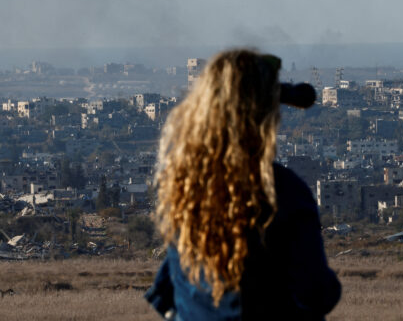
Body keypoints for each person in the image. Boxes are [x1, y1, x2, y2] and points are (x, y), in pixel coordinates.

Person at [145, 49, 341, 320]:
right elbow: (316, 293)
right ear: (264, 118)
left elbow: (164, 294)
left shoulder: (185, 190)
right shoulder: (282, 190)